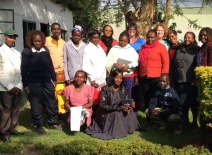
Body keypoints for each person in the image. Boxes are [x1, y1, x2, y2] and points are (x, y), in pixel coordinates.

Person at [21, 30, 61, 135]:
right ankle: (39, 126)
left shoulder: (46, 50)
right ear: (32, 41)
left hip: (47, 81)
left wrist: (54, 78)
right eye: (35, 41)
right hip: (33, 82)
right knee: (36, 104)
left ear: (42, 41)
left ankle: (52, 123)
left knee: (51, 102)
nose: (38, 43)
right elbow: (24, 69)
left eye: (39, 41)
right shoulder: (27, 51)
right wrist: (26, 85)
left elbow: (50, 66)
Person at [85, 69, 140, 139]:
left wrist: (128, 107)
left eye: (120, 78)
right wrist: (120, 108)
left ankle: (127, 129)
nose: (119, 80)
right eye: (117, 77)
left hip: (118, 108)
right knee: (117, 114)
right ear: (112, 78)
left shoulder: (122, 88)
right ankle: (117, 132)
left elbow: (126, 101)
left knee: (130, 111)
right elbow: (103, 105)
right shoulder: (105, 89)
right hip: (106, 113)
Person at [171, 32, 200, 128]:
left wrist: (196, 78)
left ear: (193, 39)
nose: (187, 39)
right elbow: (174, 64)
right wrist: (172, 78)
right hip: (179, 80)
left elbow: (198, 65)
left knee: (193, 103)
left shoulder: (196, 50)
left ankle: (195, 122)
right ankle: (186, 120)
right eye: (185, 37)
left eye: (189, 37)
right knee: (182, 103)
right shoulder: (180, 48)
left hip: (190, 81)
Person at [136, 29, 169, 110]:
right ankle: (149, 112)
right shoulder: (142, 47)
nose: (150, 39)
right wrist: (136, 75)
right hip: (144, 76)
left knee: (155, 96)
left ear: (156, 37)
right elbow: (138, 62)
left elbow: (166, 62)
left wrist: (164, 77)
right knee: (146, 96)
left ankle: (156, 113)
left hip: (157, 77)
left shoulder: (161, 47)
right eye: (148, 37)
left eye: (152, 37)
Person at [0, 29, 23, 142]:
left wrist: (19, 85)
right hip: (5, 87)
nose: (12, 39)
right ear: (5, 37)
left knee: (16, 109)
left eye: (14, 37)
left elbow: (20, 71)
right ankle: (4, 133)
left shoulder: (17, 53)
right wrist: (9, 86)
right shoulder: (0, 51)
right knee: (6, 110)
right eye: (10, 37)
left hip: (17, 86)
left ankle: (12, 129)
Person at [106, 31, 138, 100]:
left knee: (127, 93)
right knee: (115, 93)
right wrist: (114, 64)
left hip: (128, 76)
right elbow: (107, 61)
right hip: (116, 75)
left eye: (125, 41)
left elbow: (137, 62)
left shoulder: (131, 50)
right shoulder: (113, 49)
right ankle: (116, 108)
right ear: (119, 39)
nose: (123, 42)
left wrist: (128, 66)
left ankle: (128, 109)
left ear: (128, 41)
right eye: (121, 40)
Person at [45, 22, 67, 120]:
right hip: (50, 72)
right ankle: (51, 116)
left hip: (61, 73)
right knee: (50, 95)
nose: (56, 31)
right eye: (54, 29)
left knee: (61, 95)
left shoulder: (63, 42)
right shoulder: (46, 40)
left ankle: (60, 117)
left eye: (58, 29)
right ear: (51, 30)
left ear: (60, 30)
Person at [82, 29, 107, 105]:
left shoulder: (99, 47)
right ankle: (92, 116)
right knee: (93, 100)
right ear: (90, 38)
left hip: (102, 78)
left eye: (97, 37)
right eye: (94, 37)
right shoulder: (88, 48)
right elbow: (87, 65)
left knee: (101, 99)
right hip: (93, 80)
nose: (96, 39)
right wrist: (92, 79)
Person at [196, 27, 212, 130]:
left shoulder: (210, 46)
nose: (203, 37)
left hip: (207, 79)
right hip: (200, 78)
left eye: (205, 35)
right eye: (201, 35)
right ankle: (203, 127)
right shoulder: (202, 47)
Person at [127, 23, 145, 112]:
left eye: (133, 29)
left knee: (135, 90)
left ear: (136, 30)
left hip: (137, 69)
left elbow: (144, 54)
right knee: (126, 91)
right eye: (130, 28)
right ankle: (127, 109)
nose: (131, 30)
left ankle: (135, 110)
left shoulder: (141, 41)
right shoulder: (124, 40)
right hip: (126, 70)